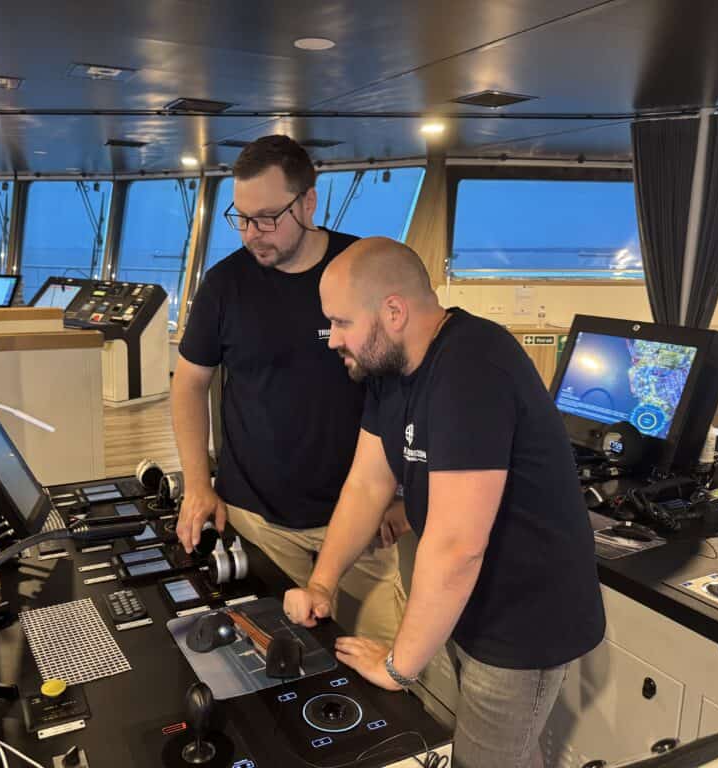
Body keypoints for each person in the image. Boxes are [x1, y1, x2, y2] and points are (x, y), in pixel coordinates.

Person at [284, 237, 605, 767]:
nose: (330, 339)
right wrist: (322, 582)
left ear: (392, 311)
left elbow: (457, 548)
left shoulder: (472, 366)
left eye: (341, 322)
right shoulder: (388, 371)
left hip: (523, 620)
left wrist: (396, 668)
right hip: (470, 603)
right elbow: (367, 485)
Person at [172, 136, 406, 645]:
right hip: (259, 519)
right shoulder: (224, 285)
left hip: (362, 518)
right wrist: (197, 484)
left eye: (268, 218)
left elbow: (406, 390)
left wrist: (403, 492)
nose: (253, 234)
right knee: (280, 665)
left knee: (387, 667)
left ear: (309, 202)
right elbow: (189, 386)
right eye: (242, 217)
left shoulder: (361, 272)